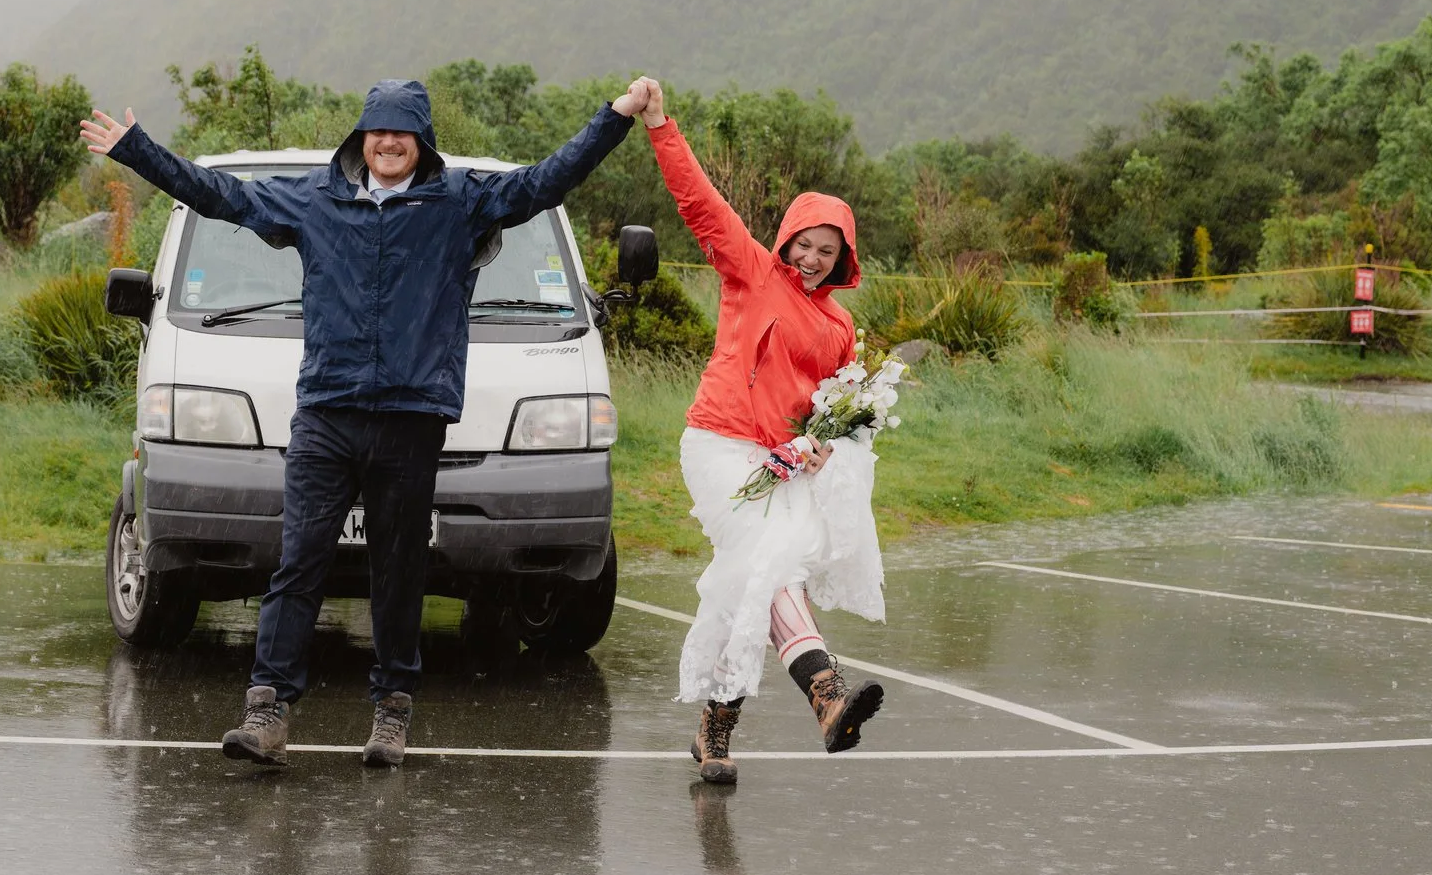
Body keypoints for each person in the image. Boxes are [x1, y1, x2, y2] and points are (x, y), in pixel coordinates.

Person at [79, 77, 646, 768]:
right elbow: (219, 196)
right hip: (326, 410)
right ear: (362, 138)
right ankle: (267, 710)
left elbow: (549, 179)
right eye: (377, 131)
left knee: (400, 570)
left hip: (411, 419)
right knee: (299, 559)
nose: (387, 142)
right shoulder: (317, 199)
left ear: (420, 142)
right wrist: (138, 150)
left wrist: (614, 117)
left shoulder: (461, 202)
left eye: (401, 133)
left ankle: (391, 712)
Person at [627, 76, 887, 785]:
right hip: (718, 445)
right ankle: (826, 691)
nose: (812, 258)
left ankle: (716, 729)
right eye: (805, 244)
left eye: (827, 251)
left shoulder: (839, 326)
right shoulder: (749, 271)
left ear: (843, 260)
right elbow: (699, 201)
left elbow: (838, 408)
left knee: (753, 579)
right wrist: (658, 123)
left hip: (784, 463)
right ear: (788, 239)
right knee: (766, 560)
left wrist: (828, 439)